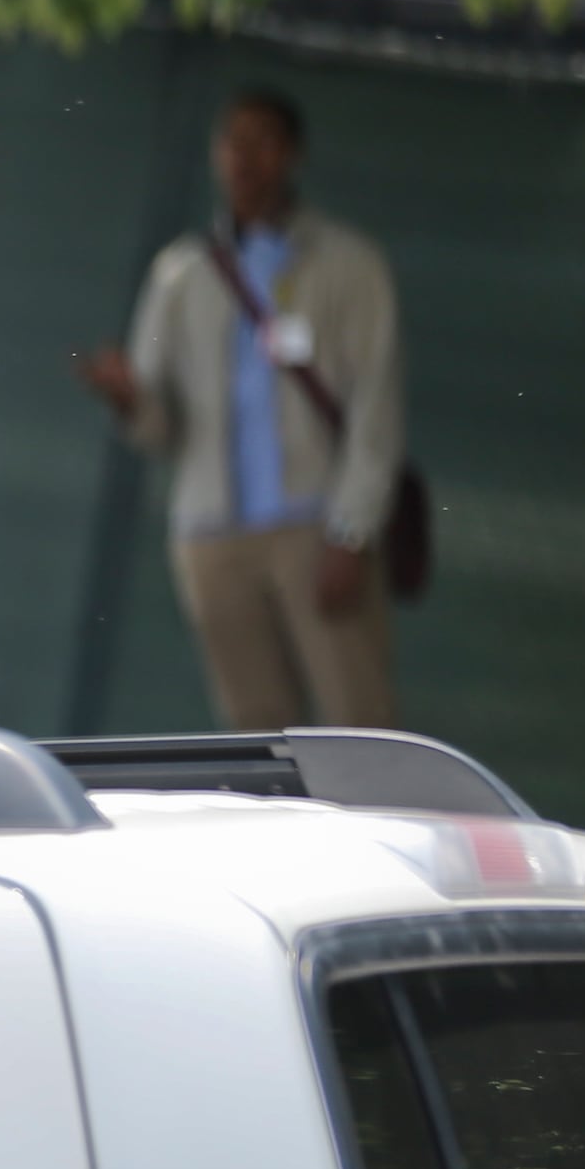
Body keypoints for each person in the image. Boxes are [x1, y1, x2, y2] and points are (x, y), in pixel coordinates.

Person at [74, 85, 408, 730]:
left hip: (316, 525)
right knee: (255, 732)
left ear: (293, 155)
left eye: (263, 142)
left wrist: (352, 530)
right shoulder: (182, 272)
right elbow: (160, 430)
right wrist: (127, 399)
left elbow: (377, 408)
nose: (245, 158)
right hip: (214, 533)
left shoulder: (348, 264)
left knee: (358, 722)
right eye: (232, 142)